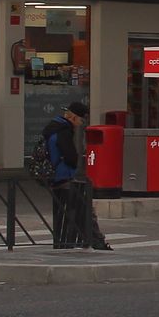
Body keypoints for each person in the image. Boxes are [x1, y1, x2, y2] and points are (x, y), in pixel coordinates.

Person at [44, 101, 111, 250]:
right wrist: (76, 163)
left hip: (55, 176)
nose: (80, 124)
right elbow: (70, 156)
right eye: (80, 120)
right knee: (85, 208)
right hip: (64, 176)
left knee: (72, 210)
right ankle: (96, 240)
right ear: (74, 117)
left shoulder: (53, 127)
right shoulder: (64, 131)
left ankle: (70, 241)